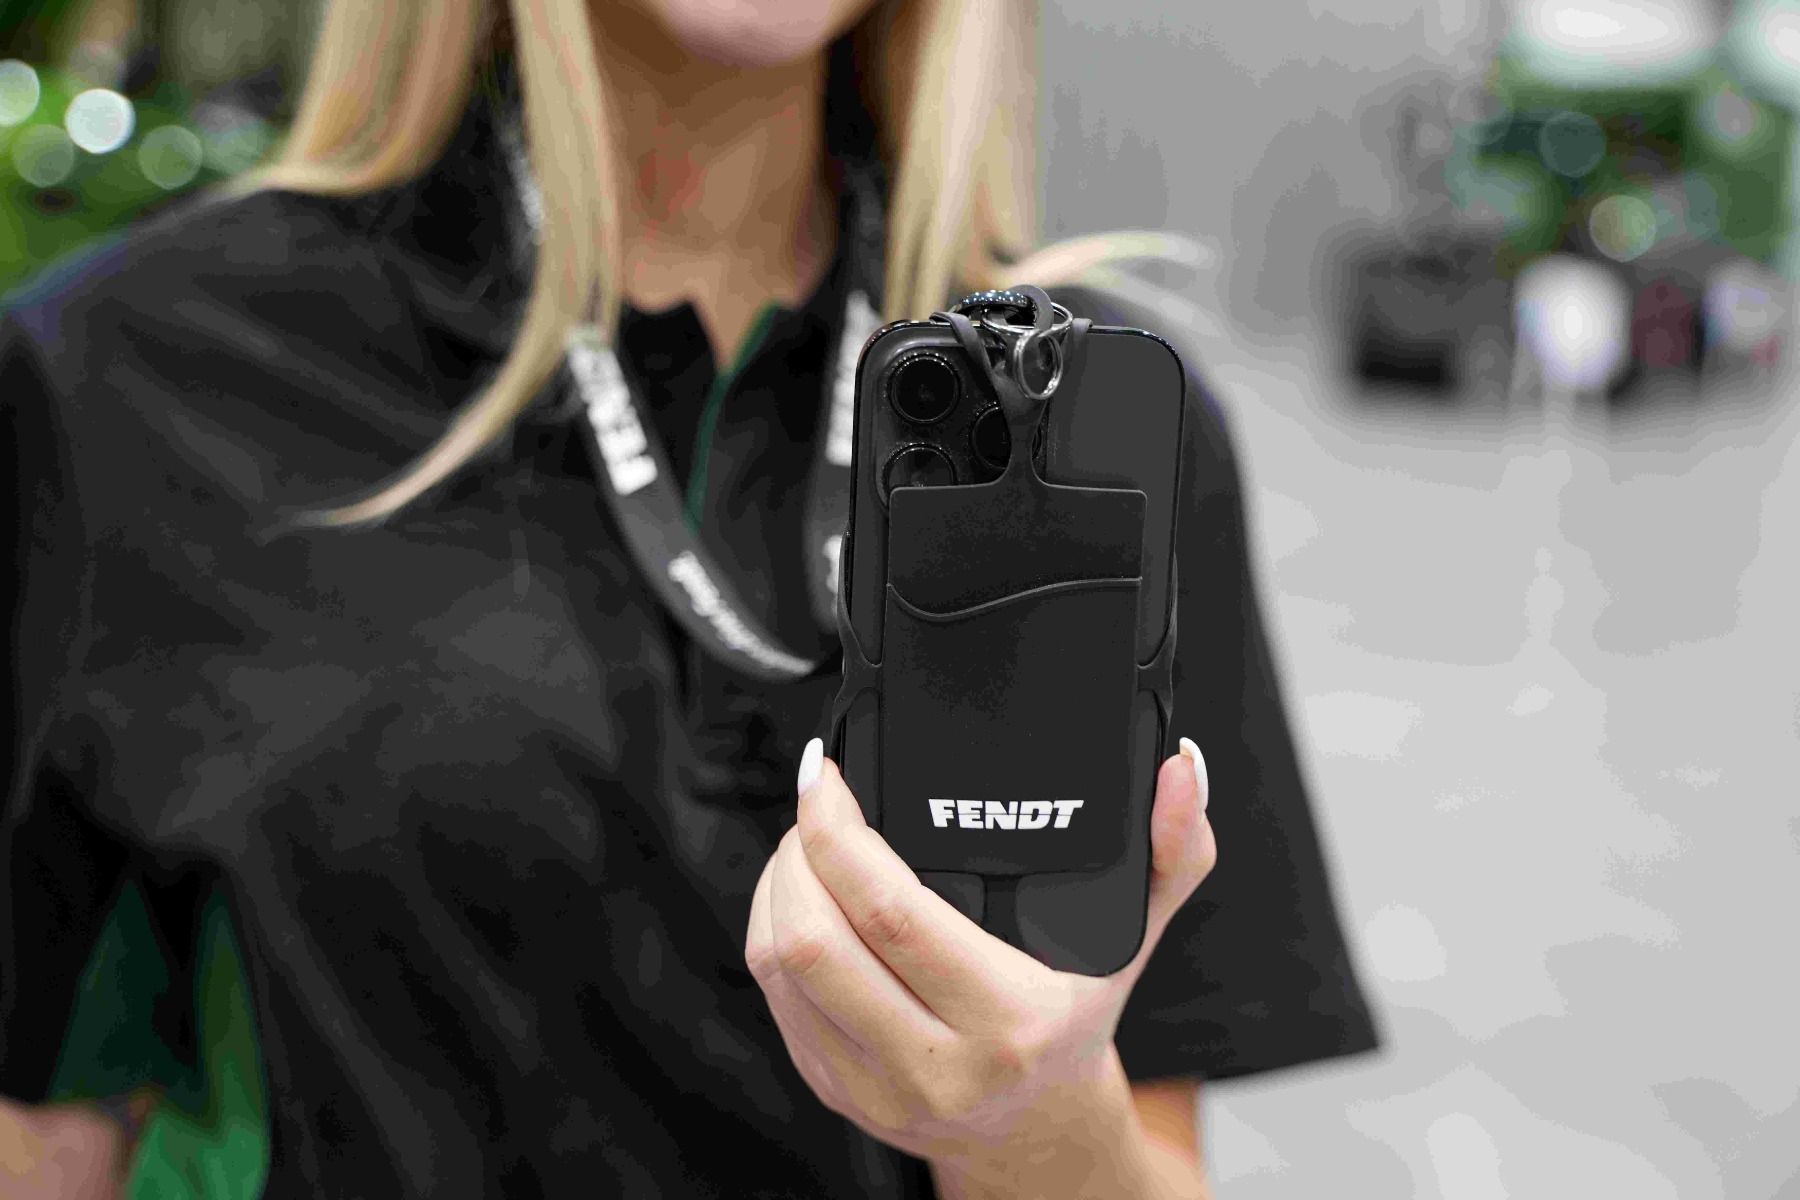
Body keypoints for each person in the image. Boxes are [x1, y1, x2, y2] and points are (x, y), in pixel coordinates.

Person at [0, 0, 1380, 1195]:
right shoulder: (130, 381)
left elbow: (1154, 1158)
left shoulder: (1095, 436)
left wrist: (1028, 1128)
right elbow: (45, 1129)